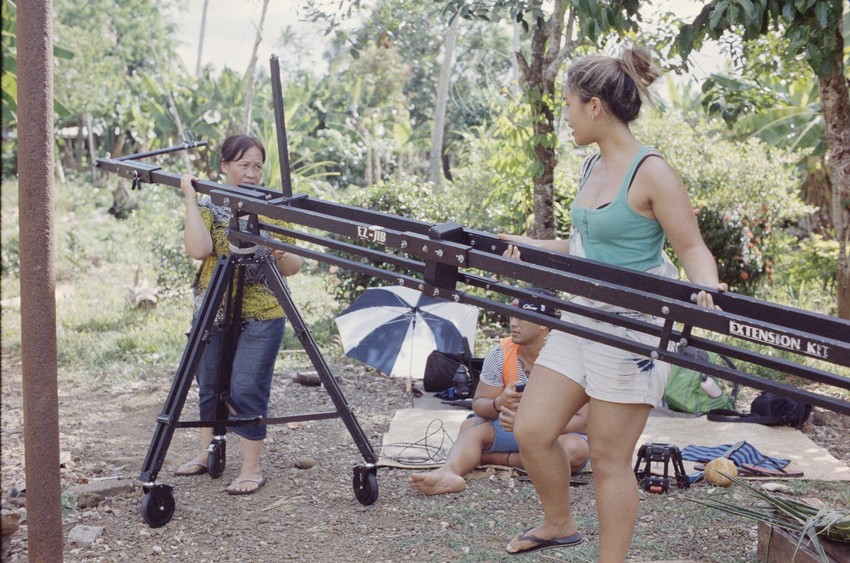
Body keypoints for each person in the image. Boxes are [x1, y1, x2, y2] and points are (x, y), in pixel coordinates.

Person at [499, 47, 727, 558]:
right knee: (533, 430)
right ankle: (558, 523)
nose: (565, 115)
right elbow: (583, 248)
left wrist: (706, 289)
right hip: (582, 318)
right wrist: (530, 245)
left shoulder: (651, 172)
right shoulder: (591, 165)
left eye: (569, 105)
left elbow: (691, 246)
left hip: (631, 330)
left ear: (595, 106)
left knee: (608, 458)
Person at [174, 134, 303, 495]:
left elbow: (294, 265)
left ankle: (251, 468)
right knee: (210, 385)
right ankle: (206, 453)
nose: (251, 172)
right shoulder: (207, 206)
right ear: (225, 166)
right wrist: (190, 199)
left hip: (264, 311)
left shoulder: (273, 206)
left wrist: (278, 251)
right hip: (212, 309)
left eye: (257, 166)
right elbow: (198, 249)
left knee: (248, 387)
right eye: (243, 164)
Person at [408, 293, 590, 496]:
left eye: (521, 317)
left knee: (574, 451)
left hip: (558, 432)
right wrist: (498, 402)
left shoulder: (569, 356)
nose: (513, 323)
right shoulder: (501, 353)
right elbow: (479, 405)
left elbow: (584, 422)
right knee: (471, 427)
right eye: (512, 316)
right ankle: (448, 473)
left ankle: (487, 458)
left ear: (543, 324)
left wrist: (532, 424)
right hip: (511, 428)